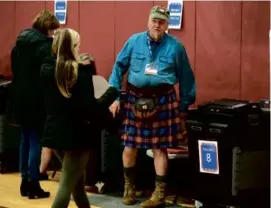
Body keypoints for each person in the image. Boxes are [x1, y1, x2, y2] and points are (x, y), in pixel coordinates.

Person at [108, 5, 196, 208]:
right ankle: (129, 188)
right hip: (134, 98)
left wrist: (183, 109)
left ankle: (159, 195)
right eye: (154, 20)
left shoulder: (176, 47)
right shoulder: (134, 41)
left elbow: (187, 80)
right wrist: (114, 97)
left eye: (161, 22)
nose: (157, 25)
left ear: (167, 24)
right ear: (148, 21)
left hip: (163, 100)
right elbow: (118, 67)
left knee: (160, 148)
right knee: (129, 146)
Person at [40, 28, 118, 208]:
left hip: (55, 132)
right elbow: (91, 108)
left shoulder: (48, 69)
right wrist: (111, 94)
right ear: (71, 47)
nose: (80, 49)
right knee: (66, 187)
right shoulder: (78, 74)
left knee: (77, 183)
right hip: (78, 136)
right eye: (78, 45)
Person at [10, 10, 59, 199]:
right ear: (48, 27)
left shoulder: (19, 44)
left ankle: (24, 181)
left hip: (19, 99)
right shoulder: (45, 46)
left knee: (25, 138)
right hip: (37, 100)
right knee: (37, 140)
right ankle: (33, 182)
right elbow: (47, 76)